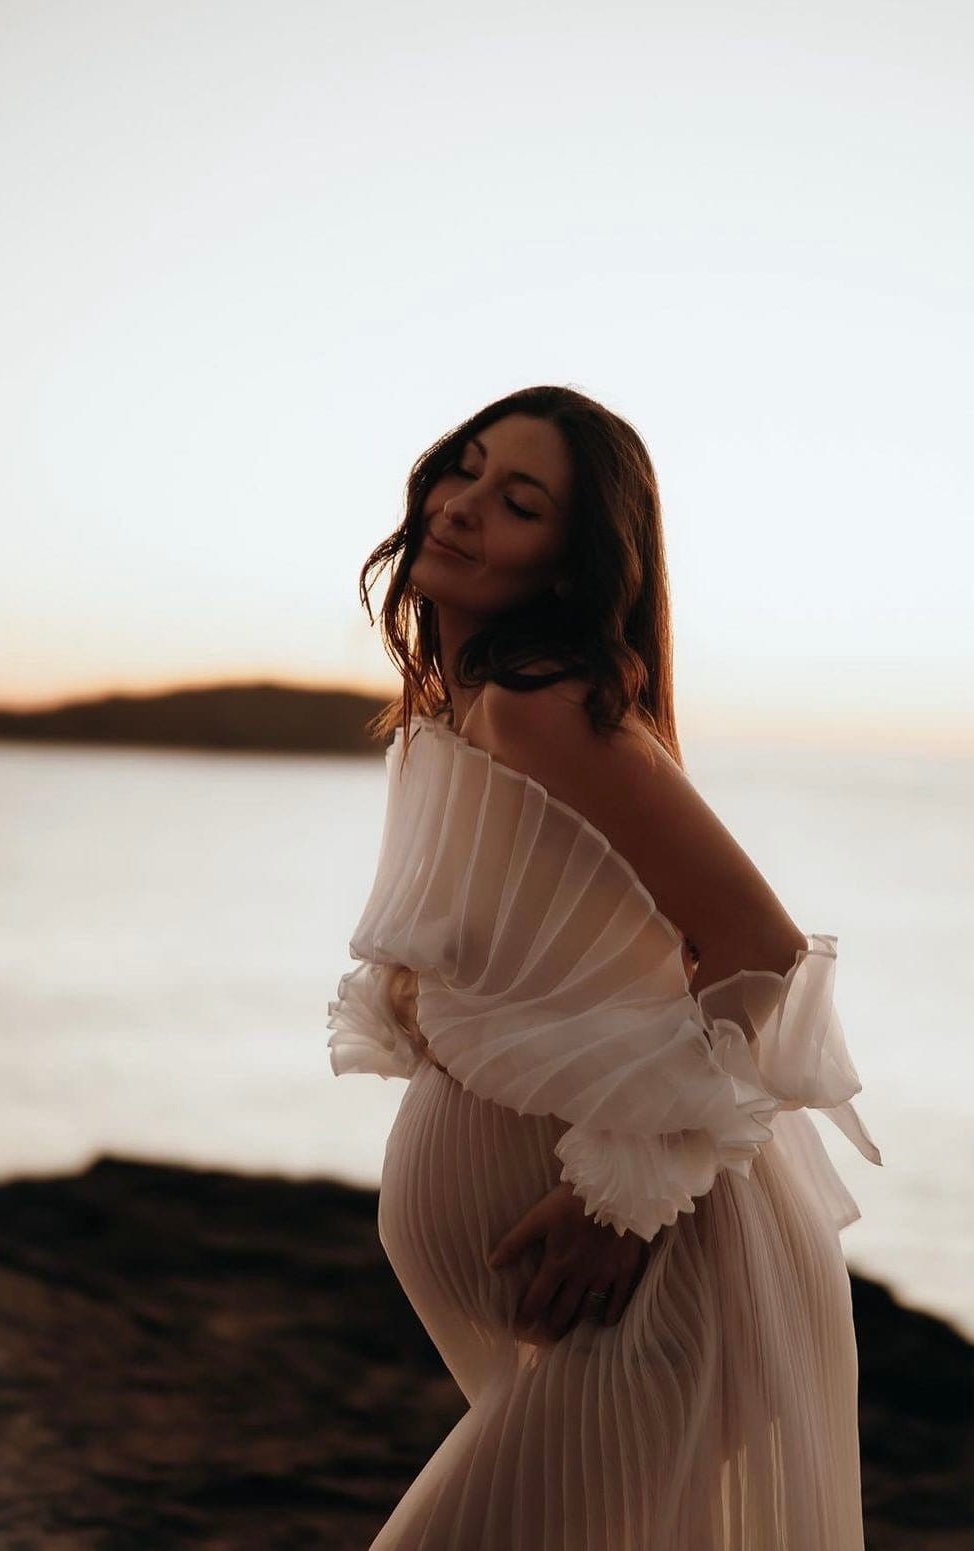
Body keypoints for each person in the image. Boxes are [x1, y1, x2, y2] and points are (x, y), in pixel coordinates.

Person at [326, 384, 883, 1550]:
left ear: (573, 568)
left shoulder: (542, 705)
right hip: (619, 1310)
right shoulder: (474, 710)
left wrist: (617, 1201)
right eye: (464, 471)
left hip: (674, 1283)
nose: (464, 506)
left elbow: (766, 959)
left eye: (517, 502)